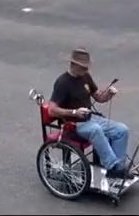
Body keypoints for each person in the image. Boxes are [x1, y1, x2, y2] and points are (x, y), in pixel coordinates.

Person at [47, 47, 132, 179]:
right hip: (73, 124)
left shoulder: (85, 77)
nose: (86, 69)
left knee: (122, 130)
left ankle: (119, 168)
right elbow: (51, 110)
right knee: (96, 130)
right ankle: (112, 166)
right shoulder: (62, 83)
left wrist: (109, 94)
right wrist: (74, 112)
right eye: (83, 67)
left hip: (90, 119)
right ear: (74, 64)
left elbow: (99, 97)